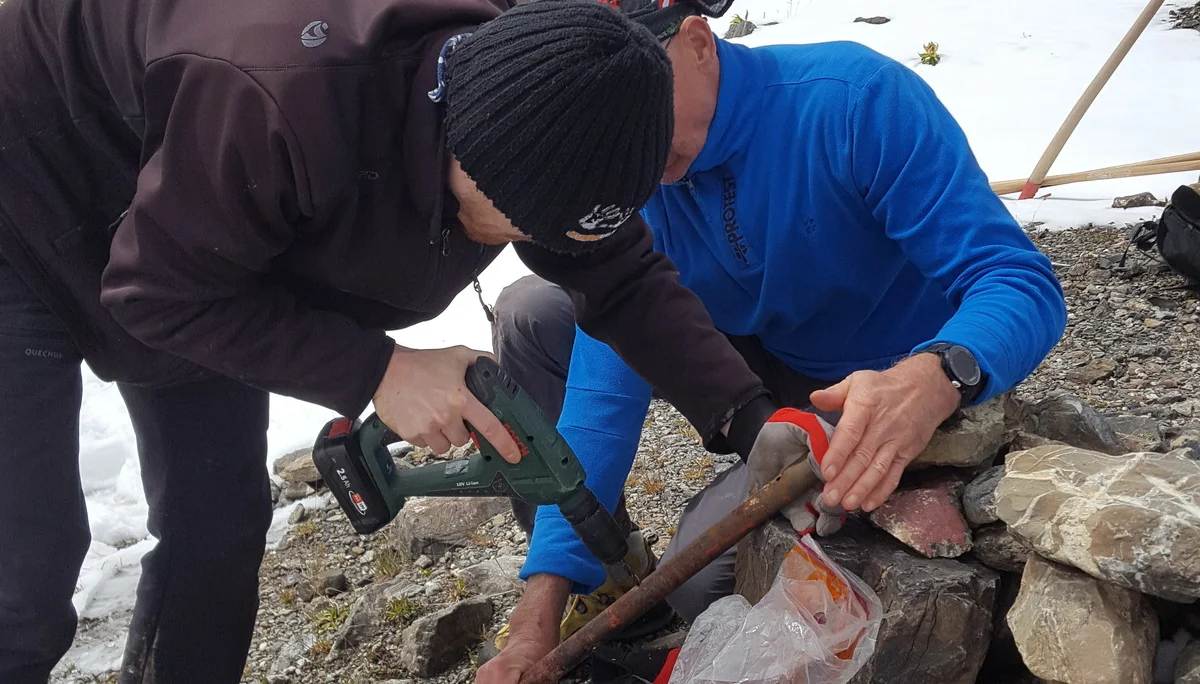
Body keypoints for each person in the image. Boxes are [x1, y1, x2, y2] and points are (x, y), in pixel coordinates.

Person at [0, 1, 790, 681]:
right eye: (522, 228)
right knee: (25, 572)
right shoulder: (283, 104)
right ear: (470, 153)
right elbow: (157, 294)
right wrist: (377, 368)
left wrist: (755, 421)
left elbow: (621, 278)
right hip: (28, 185)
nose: (532, 246)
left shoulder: (538, 96)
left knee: (220, 526)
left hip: (200, 220)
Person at [477, 1, 1068, 680]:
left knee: (698, 588)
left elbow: (1018, 281)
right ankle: (602, 564)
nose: (631, 143)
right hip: (766, 374)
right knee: (536, 311)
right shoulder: (631, 175)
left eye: (645, 101)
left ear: (698, 40)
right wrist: (537, 613)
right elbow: (600, 393)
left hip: (902, 382)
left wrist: (937, 375)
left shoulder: (851, 100)